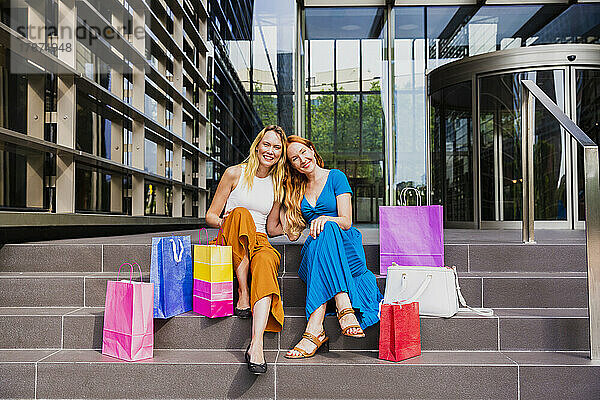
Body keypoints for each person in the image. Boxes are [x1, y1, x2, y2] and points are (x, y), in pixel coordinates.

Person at [275, 135, 383, 359]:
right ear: (291, 166)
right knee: (321, 238)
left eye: (304, 152)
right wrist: (283, 197)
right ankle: (344, 306)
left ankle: (314, 329)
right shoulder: (296, 190)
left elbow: (346, 220)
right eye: (295, 158)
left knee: (330, 228)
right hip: (315, 252)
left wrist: (326, 219)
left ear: (312, 150)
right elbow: (292, 234)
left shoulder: (336, 177)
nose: (302, 159)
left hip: (347, 248)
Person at [205, 125, 287, 374]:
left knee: (265, 260)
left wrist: (291, 226)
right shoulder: (234, 173)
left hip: (261, 240)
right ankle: (243, 291)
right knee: (240, 215)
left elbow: (271, 228)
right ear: (257, 145)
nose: (270, 151)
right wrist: (228, 222)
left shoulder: (278, 184)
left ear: (280, 154)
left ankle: (257, 344)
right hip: (232, 236)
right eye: (267, 144)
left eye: (276, 148)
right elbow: (210, 216)